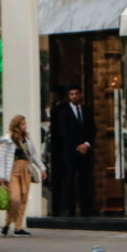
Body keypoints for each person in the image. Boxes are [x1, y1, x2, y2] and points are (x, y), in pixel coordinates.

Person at [0, 114, 47, 237]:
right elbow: (2, 158)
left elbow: (33, 155)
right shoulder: (7, 139)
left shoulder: (26, 140)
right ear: (17, 125)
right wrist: (1, 176)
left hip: (25, 169)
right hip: (13, 170)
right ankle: (8, 223)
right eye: (23, 124)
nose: (25, 126)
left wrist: (42, 168)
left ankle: (18, 227)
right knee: (15, 198)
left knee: (23, 198)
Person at [49, 84, 96, 217]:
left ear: (80, 94)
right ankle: (69, 208)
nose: (74, 96)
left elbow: (92, 129)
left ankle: (86, 208)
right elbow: (64, 133)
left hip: (85, 152)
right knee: (69, 181)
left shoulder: (86, 110)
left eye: (76, 93)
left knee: (85, 180)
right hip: (70, 152)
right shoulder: (63, 112)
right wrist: (77, 146)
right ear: (69, 96)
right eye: (72, 94)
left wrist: (86, 144)